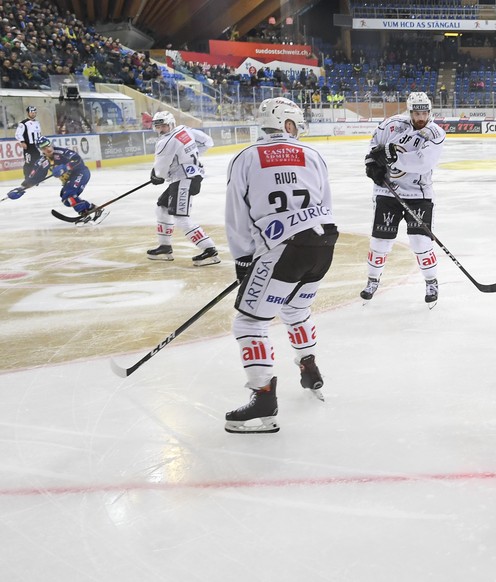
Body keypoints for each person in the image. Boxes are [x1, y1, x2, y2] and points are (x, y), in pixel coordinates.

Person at [224, 97, 338, 433]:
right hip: (323, 244)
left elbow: (236, 215)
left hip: (282, 248)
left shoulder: (245, 158)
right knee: (295, 309)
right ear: (288, 124)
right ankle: (309, 366)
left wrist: (244, 259)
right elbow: (325, 202)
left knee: (248, 323)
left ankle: (263, 400)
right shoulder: (313, 155)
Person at [360, 91, 446, 306]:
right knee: (380, 241)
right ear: (410, 112)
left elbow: (421, 163)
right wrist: (371, 164)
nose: (421, 117)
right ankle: (372, 280)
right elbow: (374, 145)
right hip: (388, 192)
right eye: (417, 113)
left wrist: (388, 156)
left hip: (419, 194)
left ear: (430, 112)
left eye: (424, 113)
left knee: (421, 241)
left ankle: (431, 281)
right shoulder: (391, 125)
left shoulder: (435, 134)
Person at [146, 111, 220, 266]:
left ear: (170, 124)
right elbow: (208, 142)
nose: (161, 130)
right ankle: (165, 246)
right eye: (158, 126)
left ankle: (209, 249)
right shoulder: (185, 130)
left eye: (164, 126)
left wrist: (157, 176)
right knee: (162, 207)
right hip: (189, 176)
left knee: (181, 217)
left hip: (183, 180)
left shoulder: (165, 142)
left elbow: (160, 171)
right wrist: (187, 159)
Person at [7, 137, 104, 223]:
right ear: (41, 150)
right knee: (67, 199)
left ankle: (85, 212)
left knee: (69, 194)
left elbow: (77, 160)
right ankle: (92, 209)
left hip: (80, 173)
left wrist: (65, 167)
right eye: (44, 148)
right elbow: (34, 177)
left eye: (48, 145)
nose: (48, 149)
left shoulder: (62, 152)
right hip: (69, 179)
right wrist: (21, 188)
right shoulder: (42, 162)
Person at [15, 105, 41, 179]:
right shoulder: (23, 123)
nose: (33, 114)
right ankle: (27, 177)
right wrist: (22, 142)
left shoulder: (37, 122)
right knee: (28, 161)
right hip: (29, 146)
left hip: (37, 146)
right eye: (32, 112)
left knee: (37, 161)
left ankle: (36, 176)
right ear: (28, 113)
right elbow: (18, 134)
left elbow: (39, 134)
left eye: (35, 112)